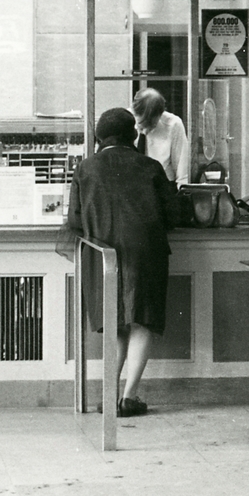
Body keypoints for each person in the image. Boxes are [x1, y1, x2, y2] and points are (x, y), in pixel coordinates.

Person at [65, 107, 181, 417]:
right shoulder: (151, 166)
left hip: (102, 254)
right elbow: (173, 215)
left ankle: (109, 394)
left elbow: (74, 221)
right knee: (142, 320)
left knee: (114, 322)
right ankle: (129, 397)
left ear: (99, 137)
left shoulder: (85, 169)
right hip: (146, 252)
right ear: (132, 135)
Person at [131, 88, 190, 186]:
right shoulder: (124, 120)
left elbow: (182, 172)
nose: (145, 132)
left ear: (160, 114)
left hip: (162, 186)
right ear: (133, 111)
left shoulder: (173, 124)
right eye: (141, 125)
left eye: (152, 126)